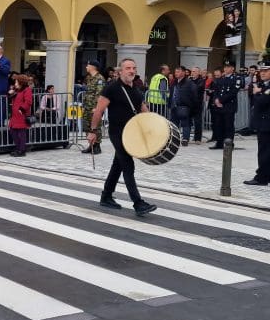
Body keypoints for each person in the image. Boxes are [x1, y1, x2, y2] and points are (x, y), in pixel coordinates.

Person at [85, 58, 157, 216]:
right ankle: (138, 203)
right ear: (120, 71)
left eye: (134, 68)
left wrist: (155, 127)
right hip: (117, 133)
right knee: (128, 165)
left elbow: (144, 110)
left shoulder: (136, 90)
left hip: (131, 134)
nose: (132, 71)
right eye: (128, 68)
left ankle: (106, 196)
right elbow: (98, 111)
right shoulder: (112, 88)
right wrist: (93, 131)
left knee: (118, 165)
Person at [243, 63, 270, 186]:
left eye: (266, 71)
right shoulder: (264, 85)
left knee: (264, 151)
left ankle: (261, 177)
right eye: (261, 71)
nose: (263, 73)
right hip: (264, 122)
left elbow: (262, 102)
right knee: (268, 150)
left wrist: (257, 92)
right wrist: (258, 90)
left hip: (269, 123)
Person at [208, 61, 241, 149]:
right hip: (219, 106)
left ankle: (229, 144)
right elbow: (216, 91)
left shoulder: (236, 79)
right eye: (225, 67)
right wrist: (216, 100)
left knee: (228, 126)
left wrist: (221, 100)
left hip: (229, 106)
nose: (226, 69)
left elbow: (233, 93)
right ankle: (219, 143)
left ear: (232, 68)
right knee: (219, 125)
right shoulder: (221, 78)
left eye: (228, 67)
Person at [168, 66, 198, 147]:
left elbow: (194, 95)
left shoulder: (189, 83)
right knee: (174, 124)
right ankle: (175, 139)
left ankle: (185, 139)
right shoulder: (174, 82)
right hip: (174, 105)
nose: (176, 73)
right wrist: (169, 103)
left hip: (184, 106)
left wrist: (191, 106)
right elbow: (171, 93)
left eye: (178, 72)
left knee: (185, 123)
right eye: (175, 72)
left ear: (184, 73)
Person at [80, 60, 105, 154]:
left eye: (88, 65)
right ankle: (91, 145)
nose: (86, 67)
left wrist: (97, 108)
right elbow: (87, 93)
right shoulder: (89, 78)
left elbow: (99, 94)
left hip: (95, 108)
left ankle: (97, 146)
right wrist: (84, 106)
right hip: (87, 106)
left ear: (93, 67)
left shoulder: (99, 79)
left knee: (96, 126)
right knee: (87, 126)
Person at [8, 74, 34, 157]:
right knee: (13, 131)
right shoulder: (17, 90)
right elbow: (9, 97)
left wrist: (21, 109)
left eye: (16, 82)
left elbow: (28, 102)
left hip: (21, 114)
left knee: (21, 134)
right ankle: (18, 148)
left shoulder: (27, 90)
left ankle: (22, 150)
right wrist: (10, 93)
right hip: (14, 115)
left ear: (21, 82)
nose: (15, 83)